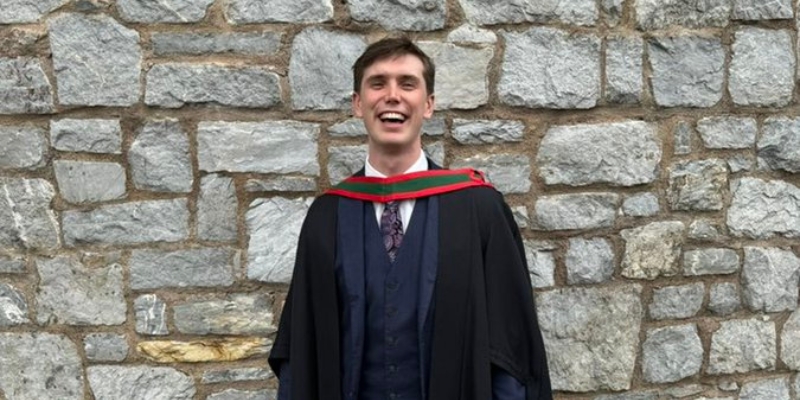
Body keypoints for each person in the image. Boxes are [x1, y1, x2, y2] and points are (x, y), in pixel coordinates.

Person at [269, 37, 552, 400]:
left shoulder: (478, 209)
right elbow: (300, 350)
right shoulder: (327, 215)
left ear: (429, 104)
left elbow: (509, 350)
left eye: (407, 83)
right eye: (377, 83)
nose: (392, 95)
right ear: (358, 104)